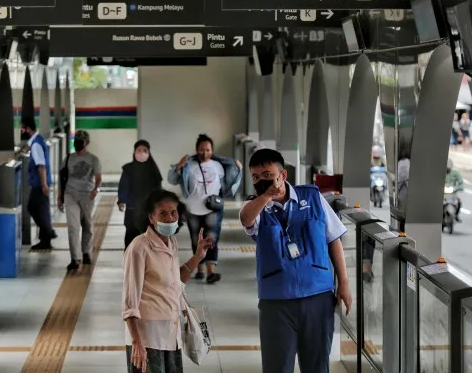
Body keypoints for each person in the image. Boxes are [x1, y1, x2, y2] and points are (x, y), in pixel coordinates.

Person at [239, 148, 352, 373]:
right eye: (256, 177)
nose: (261, 180)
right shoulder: (257, 206)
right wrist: (266, 196)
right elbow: (246, 218)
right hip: (276, 301)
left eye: (267, 174)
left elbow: (333, 239)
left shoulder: (312, 196)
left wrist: (344, 283)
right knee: (277, 366)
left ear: (283, 175)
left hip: (317, 296)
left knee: (317, 365)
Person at [122, 189, 214, 373]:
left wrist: (198, 256)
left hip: (172, 333)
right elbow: (130, 301)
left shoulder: (171, 242)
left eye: (173, 212)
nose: (170, 218)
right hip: (147, 338)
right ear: (151, 218)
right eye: (162, 213)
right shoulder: (139, 248)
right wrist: (136, 342)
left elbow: (175, 280)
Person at [167, 134, 242, 284]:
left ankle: (211, 271)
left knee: (212, 239)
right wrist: (178, 166)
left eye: (208, 149)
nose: (205, 152)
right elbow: (171, 179)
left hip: (213, 208)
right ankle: (199, 268)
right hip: (192, 209)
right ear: (196, 150)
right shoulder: (189, 165)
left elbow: (230, 183)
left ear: (212, 150)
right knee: (196, 239)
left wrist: (237, 168)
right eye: (201, 149)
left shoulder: (219, 165)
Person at [58, 130, 102, 271]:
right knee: (73, 227)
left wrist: (96, 189)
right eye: (75, 140)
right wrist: (60, 196)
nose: (77, 143)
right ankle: (75, 258)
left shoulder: (94, 159)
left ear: (86, 143)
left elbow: (98, 177)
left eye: (80, 140)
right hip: (70, 194)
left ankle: (86, 252)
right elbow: (62, 179)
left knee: (87, 225)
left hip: (87, 196)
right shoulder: (68, 159)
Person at [20, 117, 58, 251]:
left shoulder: (36, 144)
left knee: (33, 207)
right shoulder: (37, 141)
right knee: (42, 210)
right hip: (40, 182)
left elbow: (41, 166)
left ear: (28, 128)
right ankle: (45, 239)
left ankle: (48, 232)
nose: (21, 130)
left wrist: (43, 185)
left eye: (22, 128)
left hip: (39, 183)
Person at [117, 140, 163, 249]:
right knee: (131, 238)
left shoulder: (154, 171)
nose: (142, 153)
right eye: (139, 150)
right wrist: (121, 200)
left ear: (149, 153)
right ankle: (130, 262)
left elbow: (158, 189)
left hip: (149, 210)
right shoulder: (128, 169)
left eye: (145, 150)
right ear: (134, 152)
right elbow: (123, 186)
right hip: (133, 209)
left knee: (149, 238)